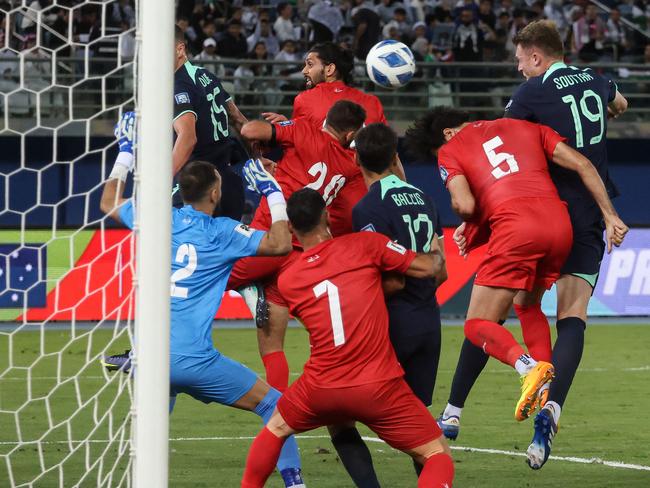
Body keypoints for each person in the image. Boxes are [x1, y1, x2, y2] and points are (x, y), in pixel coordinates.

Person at [438, 19, 629, 470]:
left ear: (538, 56)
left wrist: (476, 217)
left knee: (493, 311)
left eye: (521, 59)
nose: (519, 67)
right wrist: (609, 213)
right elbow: (619, 102)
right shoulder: (597, 80)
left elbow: (500, 145)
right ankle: (551, 409)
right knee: (572, 319)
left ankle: (452, 410)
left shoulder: (530, 94)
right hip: (586, 219)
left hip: (541, 209)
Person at [100, 113, 305, 488]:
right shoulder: (223, 232)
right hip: (195, 362)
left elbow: (109, 201)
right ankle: (295, 483)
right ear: (215, 193)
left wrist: (126, 152)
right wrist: (273, 191)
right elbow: (278, 244)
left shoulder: (158, 217)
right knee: (275, 404)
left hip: (151, 357)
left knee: (155, 419)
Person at [240, 188, 454, 488]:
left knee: (276, 428)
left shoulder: (289, 280)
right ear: (327, 216)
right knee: (436, 452)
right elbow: (429, 267)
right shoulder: (365, 245)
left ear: (291, 227)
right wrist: (432, 247)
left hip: (321, 386)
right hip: (377, 384)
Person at [331, 123, 447, 485]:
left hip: (394, 326)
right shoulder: (424, 198)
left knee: (340, 414)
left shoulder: (368, 208)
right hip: (429, 322)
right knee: (421, 427)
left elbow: (391, 279)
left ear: (356, 160)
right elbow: (440, 270)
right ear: (396, 157)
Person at [228, 101, 369, 395]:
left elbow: (251, 129)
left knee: (203, 279)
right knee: (272, 342)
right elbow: (352, 212)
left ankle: (245, 288)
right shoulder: (351, 164)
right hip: (299, 253)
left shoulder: (304, 130)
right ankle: (278, 410)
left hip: (266, 241)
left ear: (327, 119)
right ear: (350, 134)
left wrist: (279, 134)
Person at [173, 24, 249, 220]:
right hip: (229, 185)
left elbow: (188, 138)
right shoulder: (207, 75)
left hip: (197, 189)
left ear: (180, 49)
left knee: (174, 247)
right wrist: (258, 158)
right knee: (228, 250)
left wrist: (159, 183)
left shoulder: (178, 84)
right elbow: (238, 119)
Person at [262, 42, 386, 127]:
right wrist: (290, 125)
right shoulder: (373, 102)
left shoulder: (305, 99)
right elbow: (388, 151)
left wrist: (287, 127)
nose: (304, 71)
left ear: (329, 69)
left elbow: (298, 145)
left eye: (310, 64)